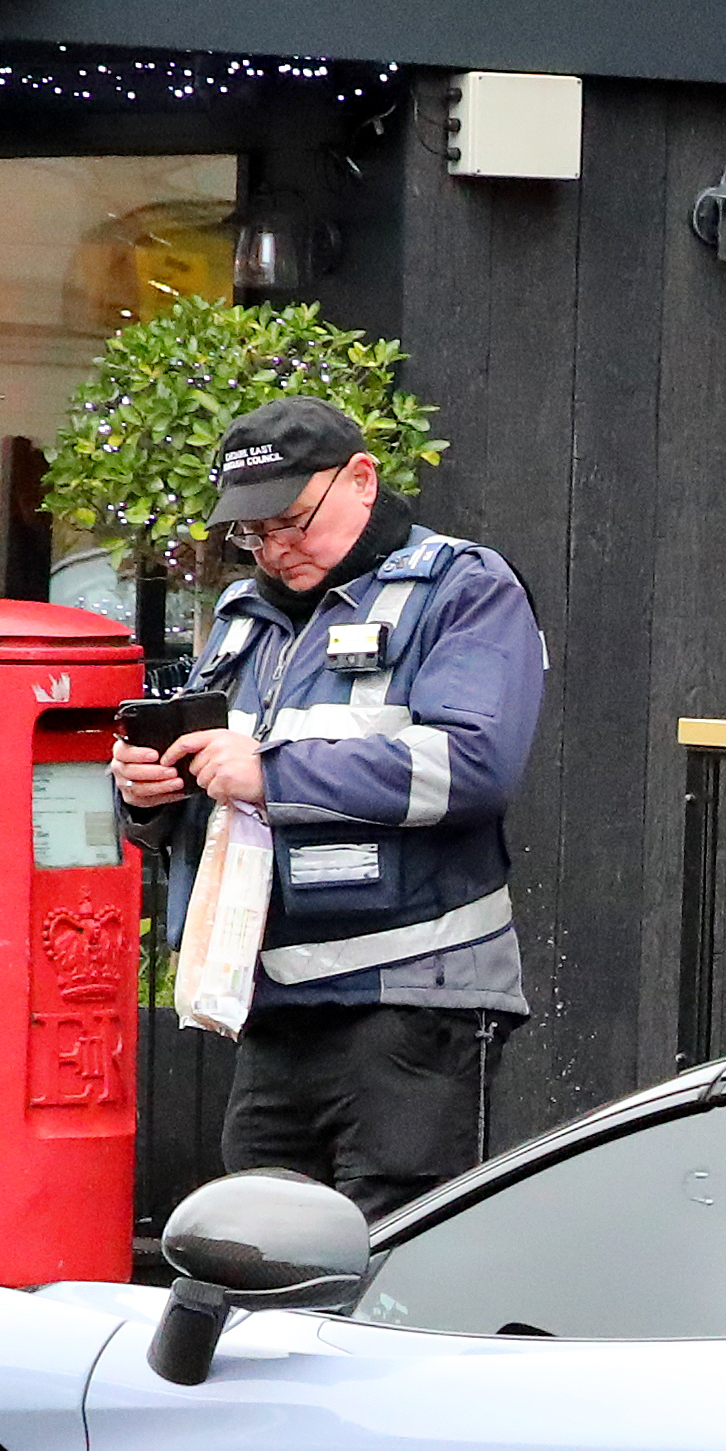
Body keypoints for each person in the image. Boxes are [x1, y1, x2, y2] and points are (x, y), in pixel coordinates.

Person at [116, 398, 540, 1217]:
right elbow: (219, 789)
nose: (276, 548)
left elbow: (475, 765)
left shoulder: (462, 588)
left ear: (361, 478)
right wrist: (149, 793)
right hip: (271, 1004)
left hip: (414, 1004)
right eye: (253, 533)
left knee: (387, 1268)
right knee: (258, 1257)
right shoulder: (248, 618)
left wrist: (272, 773)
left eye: (292, 521)